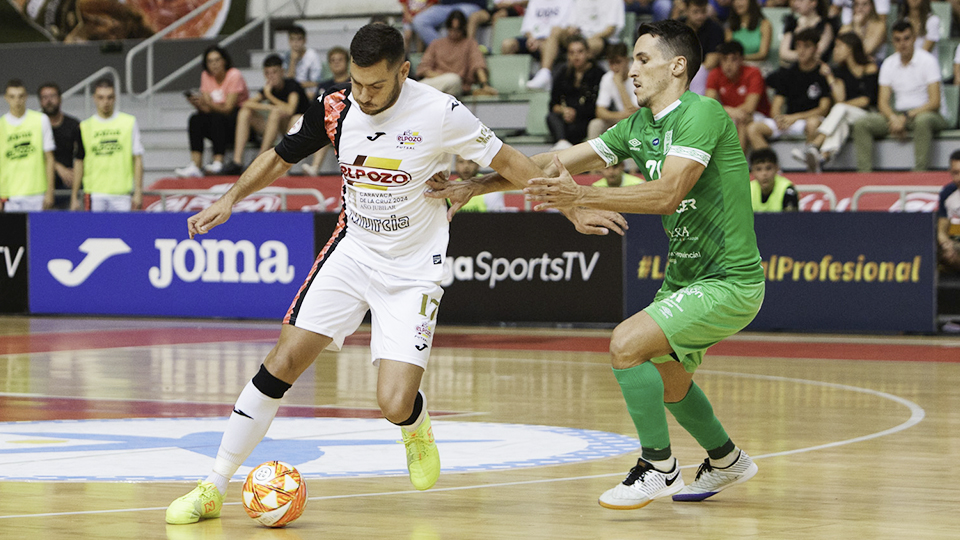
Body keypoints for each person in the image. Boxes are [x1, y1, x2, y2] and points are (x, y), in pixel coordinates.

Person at [164, 23, 625, 526]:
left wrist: (571, 208)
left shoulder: (440, 112)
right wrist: (231, 197)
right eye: (357, 84)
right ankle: (214, 485)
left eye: (376, 86)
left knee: (393, 401)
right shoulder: (336, 106)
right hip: (353, 250)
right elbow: (281, 157)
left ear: (403, 72)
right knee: (283, 359)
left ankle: (416, 423)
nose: (363, 95)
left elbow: (512, 162)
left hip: (412, 270)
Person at [434, 19, 764, 510]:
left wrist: (579, 195)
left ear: (678, 67)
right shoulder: (636, 127)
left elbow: (671, 193)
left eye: (643, 59)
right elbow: (552, 163)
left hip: (730, 280)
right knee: (670, 379)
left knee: (625, 345)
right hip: (685, 279)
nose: (631, 70)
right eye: (632, 60)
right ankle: (726, 459)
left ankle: (658, 466)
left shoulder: (704, 114)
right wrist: (475, 186)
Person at [852, 21, 948, 172]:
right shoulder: (889, 64)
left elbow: (935, 102)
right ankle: (864, 175)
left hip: (928, 113)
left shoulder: (928, 61)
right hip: (900, 113)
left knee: (923, 121)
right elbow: (882, 102)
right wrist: (893, 118)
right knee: (862, 124)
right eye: (897, 39)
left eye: (906, 38)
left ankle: (920, 172)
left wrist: (906, 116)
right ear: (892, 41)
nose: (902, 44)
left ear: (914, 38)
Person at [792, 32, 877, 172]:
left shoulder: (869, 67)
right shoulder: (840, 71)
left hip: (869, 114)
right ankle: (822, 157)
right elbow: (840, 98)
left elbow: (865, 100)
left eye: (838, 46)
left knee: (840, 109)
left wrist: (842, 106)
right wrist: (830, 77)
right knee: (841, 119)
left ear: (849, 48)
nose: (835, 50)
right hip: (847, 115)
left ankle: (814, 144)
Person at [746, 28, 831, 150]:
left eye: (807, 46)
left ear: (816, 48)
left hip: (807, 119)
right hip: (788, 120)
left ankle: (811, 163)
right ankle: (773, 167)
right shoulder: (787, 73)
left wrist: (796, 117)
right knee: (753, 128)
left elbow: (823, 109)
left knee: (813, 123)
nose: (801, 51)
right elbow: (776, 105)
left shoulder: (822, 73)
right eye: (798, 46)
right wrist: (778, 119)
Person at [223, 54, 309, 174]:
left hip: (300, 130)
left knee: (278, 113)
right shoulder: (269, 88)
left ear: (282, 72)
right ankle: (237, 161)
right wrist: (268, 106)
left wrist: (269, 96)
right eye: (267, 73)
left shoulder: (292, 85)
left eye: (274, 72)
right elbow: (246, 104)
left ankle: (261, 157)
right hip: (278, 128)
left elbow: (290, 109)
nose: (271, 76)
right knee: (245, 112)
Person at [71, 79, 144, 212]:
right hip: (94, 192)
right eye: (101, 97)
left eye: (109, 97)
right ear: (94, 98)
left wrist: (138, 191)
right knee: (95, 232)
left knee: (122, 232)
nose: (105, 102)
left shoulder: (129, 123)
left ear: (115, 98)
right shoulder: (85, 127)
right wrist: (74, 196)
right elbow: (79, 162)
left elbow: (137, 158)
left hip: (122, 193)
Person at [175, 46, 249, 178]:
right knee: (195, 119)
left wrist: (206, 102)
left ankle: (218, 162)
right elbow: (207, 109)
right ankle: (196, 165)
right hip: (216, 120)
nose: (214, 64)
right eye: (210, 61)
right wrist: (197, 103)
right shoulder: (205, 76)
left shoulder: (234, 75)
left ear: (224, 61)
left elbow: (228, 108)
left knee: (216, 117)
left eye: (217, 60)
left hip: (237, 123)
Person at [525, 0, 626, 90]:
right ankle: (545, 73)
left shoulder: (615, 1)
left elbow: (610, 29)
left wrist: (587, 40)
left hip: (602, 40)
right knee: (556, 30)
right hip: (580, 37)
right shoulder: (578, 1)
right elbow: (571, 25)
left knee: (585, 46)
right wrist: (571, 31)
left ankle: (577, 81)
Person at [705, 40, 771, 151]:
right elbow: (708, 105)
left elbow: (750, 108)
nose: (728, 65)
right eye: (724, 60)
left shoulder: (753, 73)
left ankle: (739, 164)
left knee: (742, 118)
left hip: (758, 116)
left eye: (733, 59)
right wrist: (731, 112)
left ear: (741, 59)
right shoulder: (715, 74)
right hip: (731, 115)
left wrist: (729, 112)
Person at [0, 79, 54, 212]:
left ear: (26, 97)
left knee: (38, 233)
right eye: (12, 96)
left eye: (20, 96)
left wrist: (50, 192)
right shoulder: (1, 125)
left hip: (37, 193)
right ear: (6, 98)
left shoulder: (41, 120)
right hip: (9, 194)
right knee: (12, 233)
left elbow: (49, 158)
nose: (17, 101)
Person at [416, 9, 498, 97]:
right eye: (451, 29)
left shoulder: (470, 44)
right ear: (447, 28)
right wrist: (443, 77)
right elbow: (424, 68)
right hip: (435, 81)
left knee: (454, 80)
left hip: (456, 85)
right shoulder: (436, 44)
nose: (454, 33)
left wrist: (484, 84)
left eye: (457, 30)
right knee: (416, 86)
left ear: (463, 28)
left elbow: (478, 64)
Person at [546, 36, 605, 149]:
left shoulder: (598, 74)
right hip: (565, 119)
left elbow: (597, 106)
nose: (575, 56)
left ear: (588, 53)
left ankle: (564, 144)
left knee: (587, 124)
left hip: (586, 119)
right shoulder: (563, 73)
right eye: (571, 52)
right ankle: (562, 142)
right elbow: (553, 104)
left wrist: (576, 112)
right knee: (551, 117)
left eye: (580, 52)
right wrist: (565, 111)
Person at [302, 46, 352, 177]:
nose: (336, 62)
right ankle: (311, 167)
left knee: (328, 123)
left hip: (349, 120)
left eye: (340, 60)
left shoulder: (354, 83)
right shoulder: (323, 86)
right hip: (328, 121)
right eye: (333, 60)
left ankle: (316, 167)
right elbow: (315, 106)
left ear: (347, 63)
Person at [38, 82, 80, 209]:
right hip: (41, 180)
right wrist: (58, 168)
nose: (49, 101)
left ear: (60, 99)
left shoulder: (73, 125)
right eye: (44, 97)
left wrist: (75, 173)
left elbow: (82, 155)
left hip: (67, 181)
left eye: (52, 96)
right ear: (40, 101)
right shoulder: (35, 125)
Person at [587, 43, 640, 140]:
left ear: (627, 60)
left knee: (632, 124)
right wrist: (621, 115)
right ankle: (591, 154)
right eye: (611, 63)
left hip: (639, 121)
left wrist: (620, 85)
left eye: (618, 62)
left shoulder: (637, 75)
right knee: (595, 124)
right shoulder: (607, 77)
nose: (615, 67)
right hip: (620, 118)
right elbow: (599, 111)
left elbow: (634, 113)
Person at [682, 0, 726, 95]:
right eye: (695, 12)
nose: (700, 16)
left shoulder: (715, 29)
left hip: (700, 72)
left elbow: (711, 62)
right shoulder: (677, 26)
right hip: (678, 69)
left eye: (703, 12)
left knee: (701, 71)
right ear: (686, 10)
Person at [778, 0, 834, 67]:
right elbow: (783, 53)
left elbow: (818, 52)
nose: (796, 3)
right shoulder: (792, 24)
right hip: (793, 68)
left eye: (801, 1)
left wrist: (800, 55)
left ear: (813, 2)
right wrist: (804, 55)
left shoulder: (825, 26)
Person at [412, 0, 487, 46]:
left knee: (458, 17)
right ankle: (442, 48)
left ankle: (465, 50)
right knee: (419, 21)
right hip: (445, 6)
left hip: (469, 5)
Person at [283, 25, 323, 99]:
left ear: (305, 40)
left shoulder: (312, 55)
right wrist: (293, 61)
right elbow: (287, 80)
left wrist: (298, 86)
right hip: (293, 91)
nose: (296, 43)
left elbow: (316, 82)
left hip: (309, 91)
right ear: (289, 41)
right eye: (293, 39)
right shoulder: (287, 56)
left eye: (299, 39)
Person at [938, 149, 960, 272]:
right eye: (955, 173)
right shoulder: (947, 193)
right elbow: (941, 231)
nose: (959, 178)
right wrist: (947, 245)